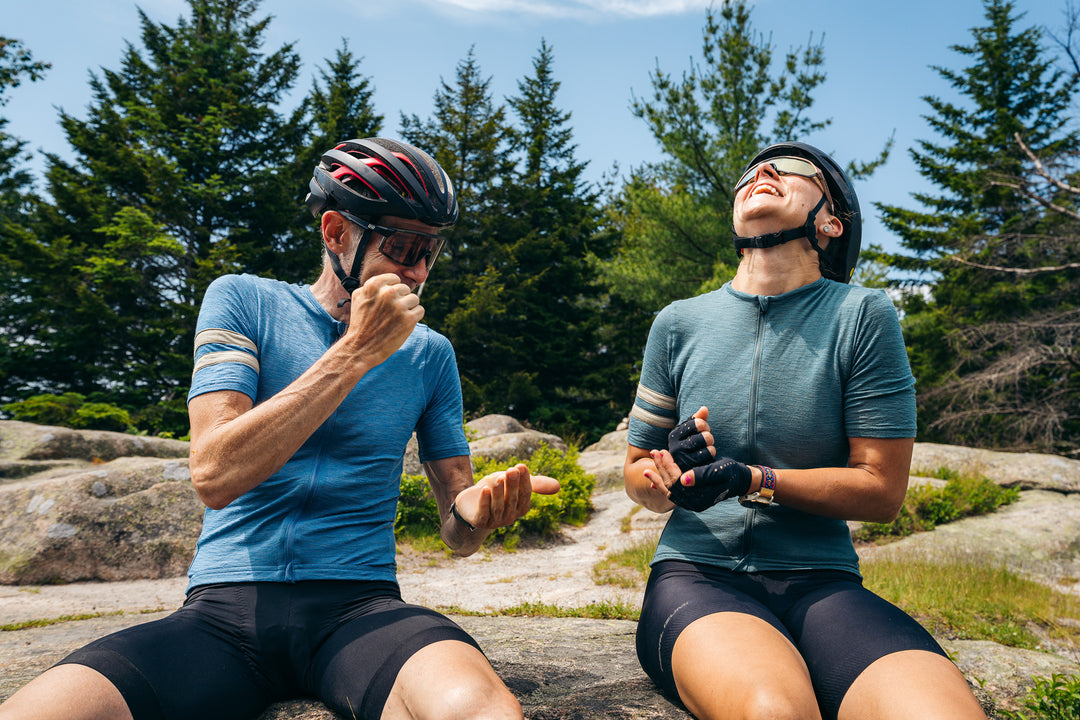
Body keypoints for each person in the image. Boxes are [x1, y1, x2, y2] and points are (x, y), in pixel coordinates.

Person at [0, 137, 559, 720]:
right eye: (403, 245)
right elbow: (214, 473)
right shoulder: (244, 301)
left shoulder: (430, 355)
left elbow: (455, 532)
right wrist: (356, 353)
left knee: (481, 711)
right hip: (222, 613)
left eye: (431, 251)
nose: (418, 271)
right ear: (336, 231)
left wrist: (474, 515)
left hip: (361, 609)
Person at [623, 142, 986, 720]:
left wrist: (750, 478)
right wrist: (665, 475)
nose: (763, 171)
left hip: (823, 582)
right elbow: (636, 472)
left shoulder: (862, 315)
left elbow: (882, 491)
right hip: (698, 576)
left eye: (793, 172)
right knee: (774, 711)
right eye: (752, 172)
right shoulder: (677, 322)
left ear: (830, 222)